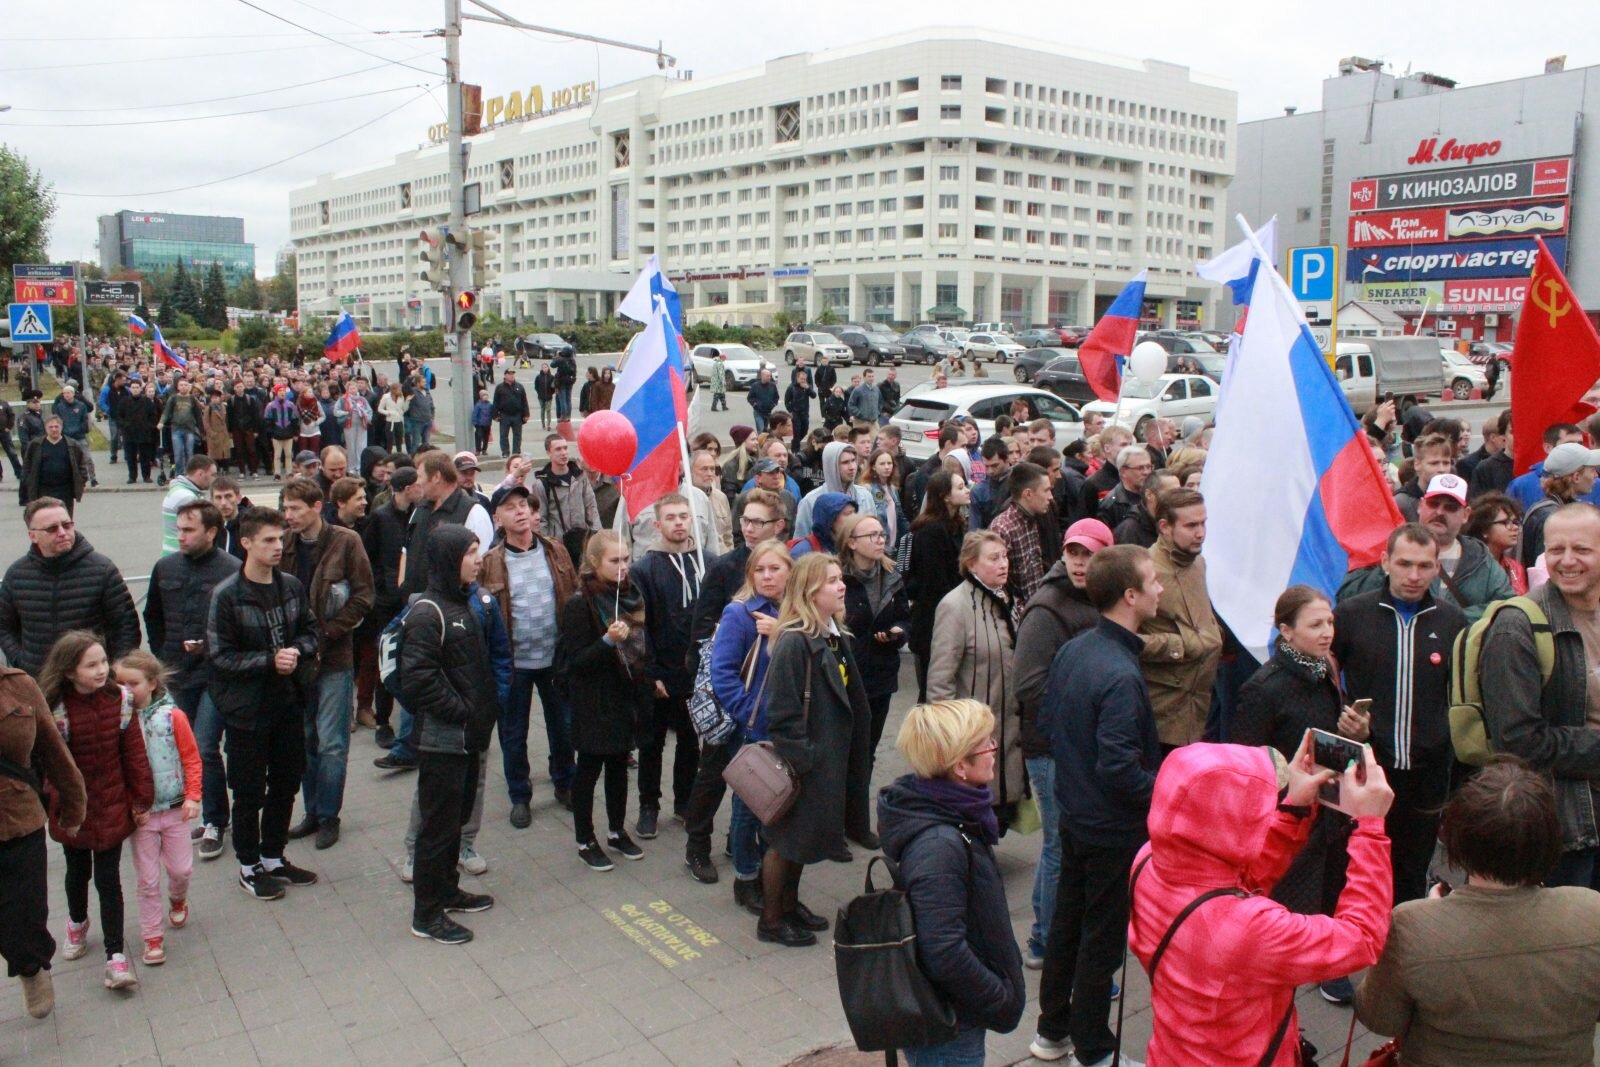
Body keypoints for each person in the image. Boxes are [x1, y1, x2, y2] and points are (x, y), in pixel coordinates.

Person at [1127, 740, 1394, 1066]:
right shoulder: (1248, 929)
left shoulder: (1148, 860)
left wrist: (1294, 807)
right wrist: (1369, 828)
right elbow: (1362, 937)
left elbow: (1230, 879)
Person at [1355, 760, 1600, 1063]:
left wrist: (1433, 920)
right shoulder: (1591, 911)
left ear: (1457, 838)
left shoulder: (1411, 925)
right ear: (1550, 839)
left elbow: (1379, 1018)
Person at [1029, 545, 1163, 1066]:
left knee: (1067, 925)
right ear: (1130, 595)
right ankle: (1093, 1049)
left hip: (1076, 814)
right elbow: (1120, 769)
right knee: (1101, 941)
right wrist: (1169, 794)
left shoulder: (1079, 648)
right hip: (1111, 829)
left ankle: (1051, 1032)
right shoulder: (1120, 673)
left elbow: (1052, 723)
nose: (1159, 588)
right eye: (1152, 581)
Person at [1232, 585, 1371, 1002]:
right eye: (1315, 624)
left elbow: (1326, 734)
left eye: (1329, 622)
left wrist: (1359, 733)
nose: (1327, 631)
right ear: (1286, 631)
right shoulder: (1263, 688)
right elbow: (1249, 763)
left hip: (1331, 806)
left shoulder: (1325, 668)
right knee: (1290, 903)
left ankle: (1327, 969)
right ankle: (1276, 986)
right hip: (1289, 816)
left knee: (1331, 887)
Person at [878, 699, 1027, 1067]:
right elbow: (943, 950)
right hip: (951, 1026)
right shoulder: (939, 844)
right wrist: (998, 998)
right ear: (960, 766)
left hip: (955, 1015)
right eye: (986, 743)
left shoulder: (954, 814)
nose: (995, 749)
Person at [1333, 523, 1466, 906]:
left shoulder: (1451, 620)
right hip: (1370, 766)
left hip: (1428, 770)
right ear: (1385, 561)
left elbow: (1458, 693)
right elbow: (1327, 676)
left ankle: (1403, 947)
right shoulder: (1352, 614)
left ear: (1437, 567)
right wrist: (1346, 719)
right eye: (1404, 563)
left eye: (1424, 566)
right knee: (1361, 863)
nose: (1413, 576)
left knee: (1412, 868)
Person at [1480, 503, 1600, 888]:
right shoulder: (1518, 626)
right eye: (1556, 550)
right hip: (1569, 831)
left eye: (1581, 549)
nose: (1566, 561)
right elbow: (1518, 741)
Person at [205, 507, 321, 901]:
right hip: (246, 713)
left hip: (289, 704)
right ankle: (248, 864)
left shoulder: (290, 586)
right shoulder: (226, 596)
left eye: (280, 538)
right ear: (246, 543)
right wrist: (269, 661)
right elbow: (220, 657)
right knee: (249, 790)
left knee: (287, 783)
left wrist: (298, 651)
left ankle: (274, 856)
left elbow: (310, 630)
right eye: (268, 540)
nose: (278, 546)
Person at [1013, 518, 1112, 970]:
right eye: (1073, 552)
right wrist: (1082, 720)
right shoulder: (1046, 609)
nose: (1079, 562)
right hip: (1052, 747)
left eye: (1088, 554)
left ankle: (1041, 936)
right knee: (1058, 845)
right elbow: (1030, 687)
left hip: (1074, 744)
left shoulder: (1099, 599)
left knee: (1058, 844)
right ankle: (1050, 943)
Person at [757, 554, 872, 946]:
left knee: (801, 842)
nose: (842, 587)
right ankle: (772, 920)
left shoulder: (830, 634)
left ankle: (790, 906)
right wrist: (805, 760)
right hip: (805, 764)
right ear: (810, 591)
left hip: (825, 761)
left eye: (841, 579)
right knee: (785, 844)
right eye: (832, 582)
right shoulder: (794, 641)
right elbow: (782, 714)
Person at [400, 525, 499, 944]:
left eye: (478, 551)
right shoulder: (429, 611)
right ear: (447, 559)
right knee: (436, 828)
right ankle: (427, 915)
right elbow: (418, 679)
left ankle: (447, 890)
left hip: (466, 736)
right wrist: (462, 712)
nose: (479, 560)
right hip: (443, 738)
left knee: (454, 823)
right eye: (471, 552)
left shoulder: (463, 603)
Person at [38, 631, 153, 991]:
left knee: (109, 880)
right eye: (92, 665)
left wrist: (141, 799)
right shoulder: (53, 709)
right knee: (76, 872)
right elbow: (45, 764)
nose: (103, 669)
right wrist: (54, 804)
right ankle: (76, 921)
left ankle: (115, 957)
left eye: (104, 661)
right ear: (70, 671)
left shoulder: (121, 701)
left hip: (113, 804)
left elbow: (134, 754)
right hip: (72, 808)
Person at [685, 540, 791, 893]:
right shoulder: (740, 613)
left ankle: (771, 874)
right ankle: (747, 878)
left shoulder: (794, 612)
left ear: (790, 572)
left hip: (788, 725)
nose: (767, 576)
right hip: (754, 728)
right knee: (750, 803)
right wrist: (750, 714)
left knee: (779, 802)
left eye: (774, 569)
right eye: (759, 570)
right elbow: (723, 674)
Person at [280, 479, 376, 851]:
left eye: (295, 509)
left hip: (334, 658)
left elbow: (364, 596)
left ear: (317, 507)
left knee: (332, 742)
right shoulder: (284, 544)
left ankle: (330, 816)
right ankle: (313, 811)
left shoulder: (345, 542)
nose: (288, 516)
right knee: (306, 739)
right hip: (296, 660)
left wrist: (329, 632)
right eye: (285, 509)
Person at [143, 500, 240, 861]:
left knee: (203, 746)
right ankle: (212, 812)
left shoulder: (232, 570)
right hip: (177, 674)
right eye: (178, 529)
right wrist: (162, 654)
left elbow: (239, 624)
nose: (180, 536)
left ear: (211, 532)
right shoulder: (165, 567)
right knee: (188, 750)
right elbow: (152, 614)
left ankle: (214, 819)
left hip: (217, 675)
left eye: (188, 530)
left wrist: (211, 647)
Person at [478, 484, 578, 826]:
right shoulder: (490, 563)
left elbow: (574, 597)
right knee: (513, 733)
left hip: (556, 658)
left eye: (524, 505)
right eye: (510, 507)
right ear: (498, 519)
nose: (521, 511)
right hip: (514, 665)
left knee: (563, 727)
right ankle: (520, 795)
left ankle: (565, 782)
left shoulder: (556, 551)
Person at [557, 531, 652, 872]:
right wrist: (608, 642)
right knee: (589, 770)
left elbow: (642, 643)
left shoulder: (630, 596)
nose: (623, 567)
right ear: (595, 563)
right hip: (593, 701)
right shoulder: (579, 604)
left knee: (618, 766)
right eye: (615, 561)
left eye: (626, 559)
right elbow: (575, 663)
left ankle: (616, 830)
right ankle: (585, 839)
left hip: (624, 696)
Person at [0, 663, 85, 1019]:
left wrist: (73, 802)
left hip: (19, 821)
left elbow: (53, 748)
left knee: (24, 915)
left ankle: (31, 966)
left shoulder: (17, 685)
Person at [113, 651, 200, 968]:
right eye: (119, 683)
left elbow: (191, 757)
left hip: (176, 808)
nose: (125, 690)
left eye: (132, 683)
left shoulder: (173, 716)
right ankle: (152, 937)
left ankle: (178, 897)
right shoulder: (119, 720)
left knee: (181, 869)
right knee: (147, 879)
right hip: (143, 814)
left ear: (151, 683)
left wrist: (192, 795)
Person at [928, 532, 1023, 816]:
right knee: (972, 808)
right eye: (993, 558)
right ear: (971, 564)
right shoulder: (954, 606)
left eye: (1005, 556)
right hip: (972, 733)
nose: (1003, 564)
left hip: (1006, 729)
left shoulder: (1006, 598)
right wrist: (951, 737)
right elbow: (940, 680)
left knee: (1000, 809)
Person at [630, 494, 707, 836]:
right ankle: (649, 805)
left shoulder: (707, 561)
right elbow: (639, 627)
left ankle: (685, 800)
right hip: (660, 673)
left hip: (696, 672)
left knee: (691, 742)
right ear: (658, 525)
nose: (679, 522)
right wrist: (651, 673)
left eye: (684, 516)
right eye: (671, 517)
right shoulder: (644, 568)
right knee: (652, 743)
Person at [1339, 473, 1515, 622]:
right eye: (1433, 504)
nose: (1439, 512)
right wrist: (1387, 572)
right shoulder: (1388, 545)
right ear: (1420, 505)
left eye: (1450, 507)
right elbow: (1346, 596)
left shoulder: (1480, 558)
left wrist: (1449, 619)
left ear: (1466, 514)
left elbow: (1506, 606)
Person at [0, 498, 141, 676]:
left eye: (67, 525)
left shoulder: (102, 570)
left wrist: (110, 670)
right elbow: (4, 626)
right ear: (33, 535)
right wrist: (22, 660)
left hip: (90, 685)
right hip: (39, 682)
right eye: (52, 528)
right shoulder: (16, 575)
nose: (62, 532)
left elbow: (126, 627)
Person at [838, 512, 910, 836]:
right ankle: (832, 821)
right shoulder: (839, 579)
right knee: (843, 753)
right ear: (852, 542)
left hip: (881, 675)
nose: (881, 540)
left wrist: (898, 632)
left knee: (867, 751)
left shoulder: (892, 576)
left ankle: (856, 823)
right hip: (846, 680)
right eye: (872, 535)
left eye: (882, 534)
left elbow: (907, 619)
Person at [1140, 487, 1223, 752]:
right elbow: (1122, 637)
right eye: (1191, 525)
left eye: (1203, 523)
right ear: (1165, 526)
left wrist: (1213, 634)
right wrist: (1180, 645)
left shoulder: (1198, 564)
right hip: (1163, 712)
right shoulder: (1143, 570)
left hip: (1201, 704)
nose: (1200, 532)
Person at [361, 467, 420, 748]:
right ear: (408, 488)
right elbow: (366, 556)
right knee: (388, 659)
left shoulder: (419, 514)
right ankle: (383, 720)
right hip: (386, 602)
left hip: (411, 599)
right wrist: (382, 587)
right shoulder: (381, 517)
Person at [907, 470, 970, 701]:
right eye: (960, 487)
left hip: (950, 615)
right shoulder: (930, 531)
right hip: (934, 621)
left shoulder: (955, 524)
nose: (966, 491)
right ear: (945, 495)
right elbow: (933, 582)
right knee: (931, 690)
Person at [1520, 441, 1600, 568]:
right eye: (1591, 470)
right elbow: (1546, 570)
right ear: (1576, 477)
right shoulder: (1549, 517)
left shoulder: (1552, 509)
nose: (1596, 475)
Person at [990, 461, 1059, 605]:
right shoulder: (1003, 528)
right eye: (1046, 490)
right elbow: (996, 584)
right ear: (1028, 494)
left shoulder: (1033, 519)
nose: (1050, 496)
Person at [533, 434, 600, 564]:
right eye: (558, 449)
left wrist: (597, 535)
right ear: (549, 453)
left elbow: (591, 507)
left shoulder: (580, 476)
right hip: (558, 545)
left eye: (565, 448)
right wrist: (548, 545)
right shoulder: (542, 484)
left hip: (583, 541)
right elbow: (541, 519)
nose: (563, 453)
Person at [793, 442, 875, 538]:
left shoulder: (865, 495)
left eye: (853, 461)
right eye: (845, 462)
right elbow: (801, 541)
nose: (852, 467)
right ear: (831, 465)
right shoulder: (810, 501)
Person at [19, 415, 90, 514]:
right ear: (45, 428)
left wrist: (81, 481)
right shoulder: (35, 445)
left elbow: (81, 464)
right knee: (46, 519)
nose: (54, 429)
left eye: (56, 426)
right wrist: (27, 481)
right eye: (50, 427)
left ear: (61, 427)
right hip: (43, 490)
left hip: (65, 490)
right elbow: (27, 466)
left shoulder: (72, 445)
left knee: (65, 519)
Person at [1462, 490, 1527, 594]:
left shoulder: (1515, 567)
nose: (1515, 527)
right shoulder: (1469, 567)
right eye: (1505, 522)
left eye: (1515, 522)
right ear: (1484, 530)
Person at [160, 454, 216, 557]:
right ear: (200, 474)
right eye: (212, 475)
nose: (214, 479)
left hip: (171, 552)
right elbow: (201, 527)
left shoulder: (178, 490)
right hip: (180, 554)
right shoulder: (188, 498)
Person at [857, 447, 908, 553]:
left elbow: (900, 518)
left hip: (893, 548)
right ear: (874, 467)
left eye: (889, 463)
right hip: (877, 547)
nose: (887, 467)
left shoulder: (892, 489)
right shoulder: (867, 489)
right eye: (882, 464)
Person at [1112, 469, 1178, 549]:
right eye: (1172, 492)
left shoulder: (1177, 520)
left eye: (1179, 491)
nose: (1178, 496)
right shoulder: (1129, 530)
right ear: (1149, 494)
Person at [1096, 445, 1153, 532]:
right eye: (1140, 468)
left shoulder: (1154, 495)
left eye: (1148, 467)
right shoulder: (1111, 505)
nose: (1146, 472)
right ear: (1123, 471)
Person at [117, 380, 161, 484]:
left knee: (145, 456)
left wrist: (149, 426)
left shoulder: (146, 402)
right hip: (129, 433)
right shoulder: (124, 402)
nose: (135, 389)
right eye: (133, 387)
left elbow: (153, 415)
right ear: (130, 389)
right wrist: (124, 425)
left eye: (137, 387)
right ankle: (132, 477)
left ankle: (146, 476)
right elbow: (119, 416)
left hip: (144, 433)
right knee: (130, 457)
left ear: (141, 389)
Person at [492, 369, 530, 458]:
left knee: (517, 435)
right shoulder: (500, 387)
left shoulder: (519, 386)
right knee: (503, 435)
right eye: (509, 374)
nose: (512, 375)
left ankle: (516, 452)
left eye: (513, 374)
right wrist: (495, 415)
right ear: (505, 376)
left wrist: (526, 414)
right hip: (505, 415)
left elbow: (524, 401)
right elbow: (495, 402)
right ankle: (505, 452)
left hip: (517, 415)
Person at [747, 367, 778, 433]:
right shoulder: (755, 386)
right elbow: (750, 398)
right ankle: (761, 441)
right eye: (768, 376)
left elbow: (776, 397)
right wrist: (755, 405)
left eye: (770, 376)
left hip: (768, 412)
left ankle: (763, 442)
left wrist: (773, 404)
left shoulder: (772, 386)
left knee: (765, 430)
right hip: (758, 412)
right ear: (762, 376)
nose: (769, 377)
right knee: (761, 430)